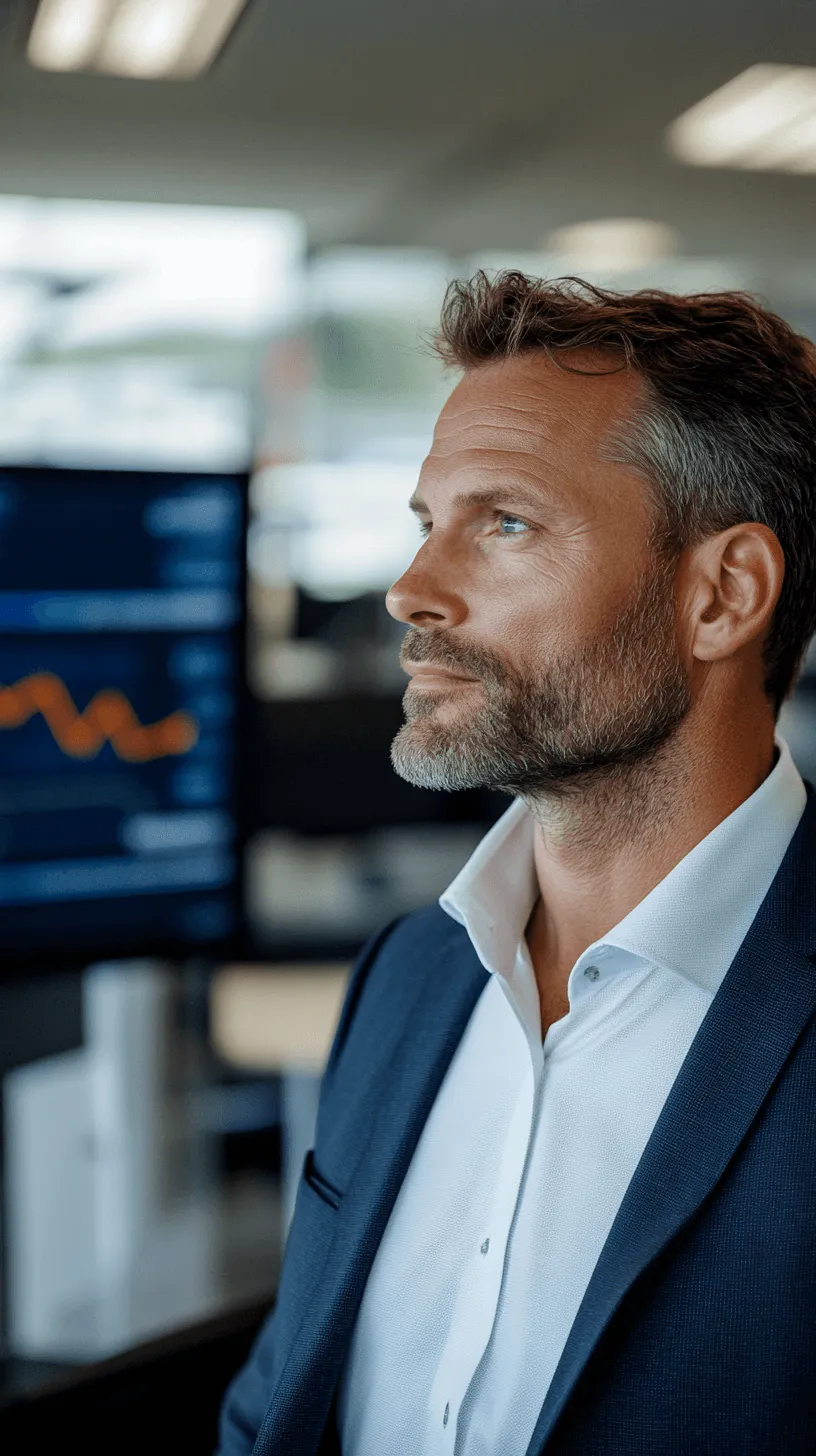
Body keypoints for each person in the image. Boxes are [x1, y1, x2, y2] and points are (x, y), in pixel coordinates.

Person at [218, 272, 816, 1456]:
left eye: (505, 523)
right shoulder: (408, 977)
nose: (410, 592)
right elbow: (277, 1408)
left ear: (723, 594)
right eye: (426, 523)